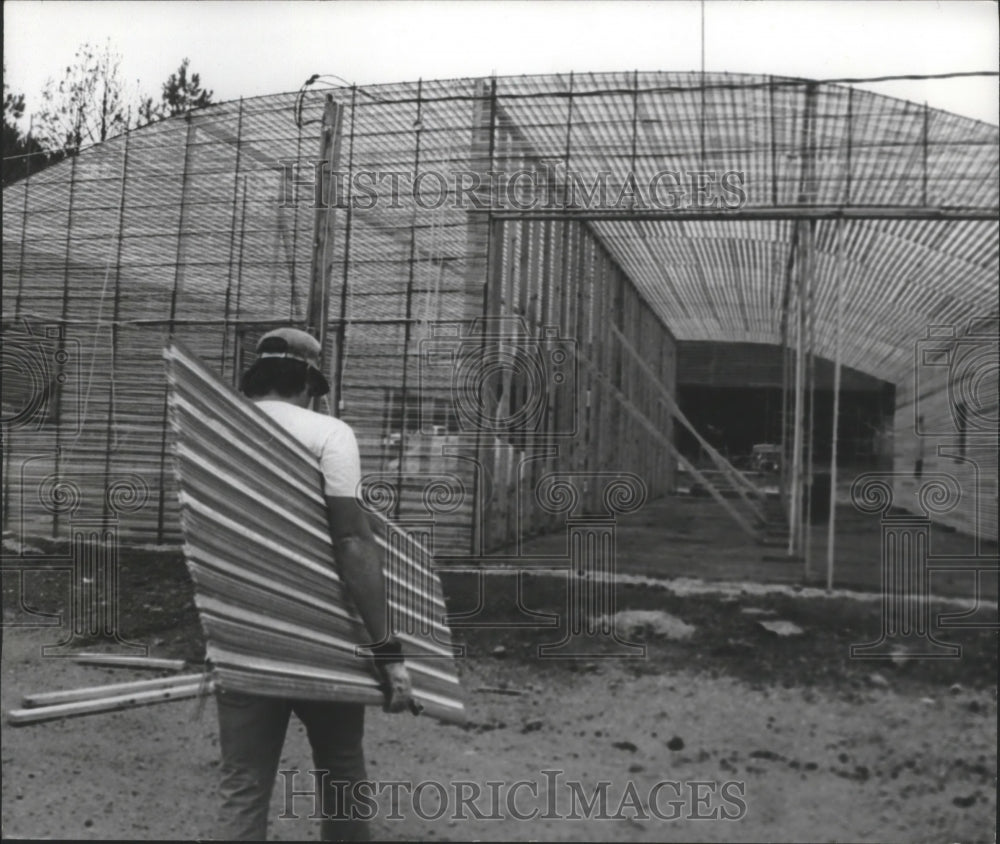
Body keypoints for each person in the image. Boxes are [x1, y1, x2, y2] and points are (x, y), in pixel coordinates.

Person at [214, 327, 415, 841]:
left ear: (256, 376)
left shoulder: (212, 430)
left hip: (239, 630)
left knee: (243, 783)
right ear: (308, 383)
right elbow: (352, 541)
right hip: (324, 635)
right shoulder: (329, 433)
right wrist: (386, 652)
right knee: (341, 767)